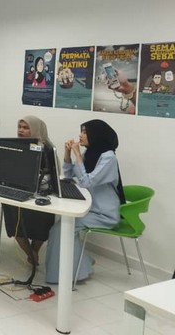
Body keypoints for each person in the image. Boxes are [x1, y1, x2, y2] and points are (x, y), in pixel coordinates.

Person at [45, 119, 123, 284]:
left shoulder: (109, 158)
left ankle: (69, 274)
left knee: (61, 229)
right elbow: (69, 176)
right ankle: (82, 265)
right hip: (90, 208)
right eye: (81, 131)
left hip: (104, 214)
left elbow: (87, 182)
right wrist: (68, 154)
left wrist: (78, 155)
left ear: (96, 135)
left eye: (85, 132)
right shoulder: (91, 153)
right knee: (61, 226)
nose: (80, 135)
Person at [2, 116, 56, 266]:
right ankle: (30, 253)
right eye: (19, 127)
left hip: (40, 194)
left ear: (36, 129)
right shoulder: (15, 146)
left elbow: (51, 176)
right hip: (16, 190)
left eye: (26, 128)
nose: (21, 130)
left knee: (44, 216)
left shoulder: (47, 149)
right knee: (9, 208)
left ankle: (34, 250)